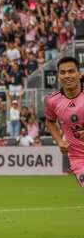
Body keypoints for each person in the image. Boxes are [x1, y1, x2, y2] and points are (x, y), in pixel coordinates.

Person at [45, 56, 84, 187]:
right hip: (79, 157)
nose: (67, 76)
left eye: (71, 71)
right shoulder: (53, 101)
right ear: (58, 76)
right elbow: (50, 122)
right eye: (63, 72)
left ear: (79, 74)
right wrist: (59, 141)